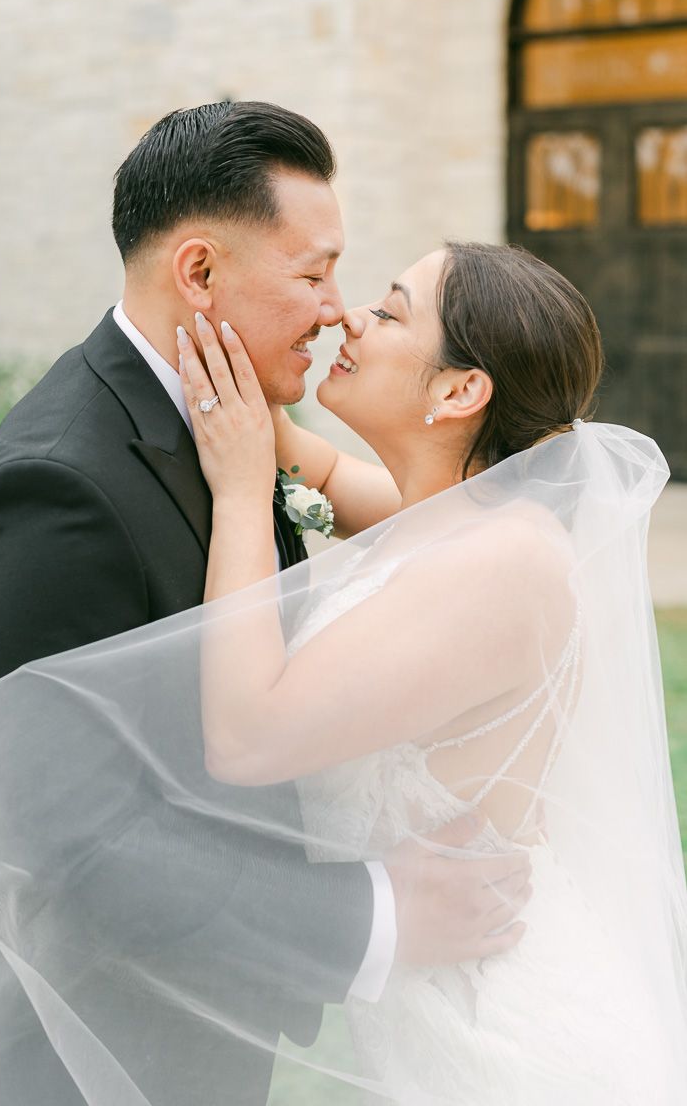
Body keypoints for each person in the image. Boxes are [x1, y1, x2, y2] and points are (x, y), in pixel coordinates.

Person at [0, 103, 529, 1106]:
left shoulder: (247, 431)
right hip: (67, 1059)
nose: (336, 311)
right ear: (198, 274)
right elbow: (66, 842)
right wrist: (373, 914)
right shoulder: (52, 488)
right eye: (314, 273)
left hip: (207, 1038)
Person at [174, 240, 687, 1101]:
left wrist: (235, 495)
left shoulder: (504, 563)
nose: (348, 317)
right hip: (430, 1019)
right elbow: (319, 465)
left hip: (508, 1044)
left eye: (390, 310)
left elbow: (247, 734)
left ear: (459, 391)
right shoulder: (451, 515)